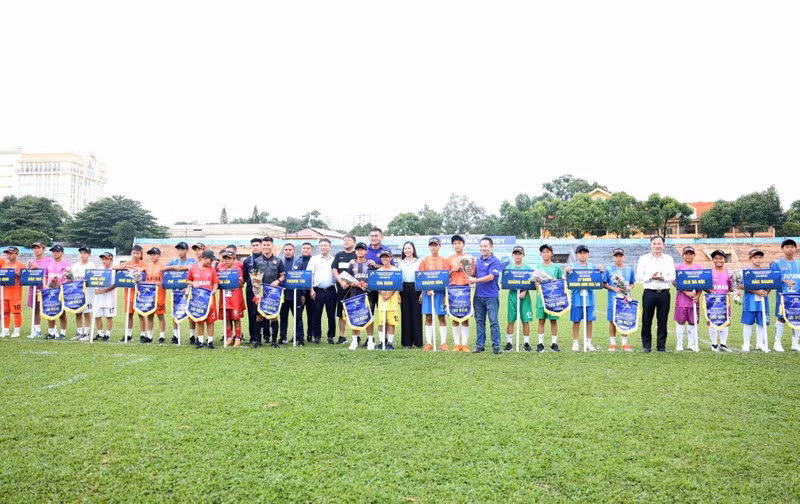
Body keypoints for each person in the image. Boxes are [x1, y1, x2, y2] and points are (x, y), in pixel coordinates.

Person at [636, 235, 676, 352]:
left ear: (663, 245)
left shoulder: (669, 258)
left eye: (659, 243)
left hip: (664, 292)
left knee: (663, 320)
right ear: (650, 245)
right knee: (646, 319)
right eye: (654, 243)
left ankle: (661, 346)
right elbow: (639, 276)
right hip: (649, 292)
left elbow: (672, 276)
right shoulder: (643, 258)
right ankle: (646, 346)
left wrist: (663, 277)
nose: (657, 246)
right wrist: (650, 277)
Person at [565, 245, 603, 352]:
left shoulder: (592, 267)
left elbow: (598, 280)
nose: (583, 255)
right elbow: (567, 281)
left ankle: (588, 342)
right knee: (576, 321)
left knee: (589, 321)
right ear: (577, 255)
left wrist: (601, 271)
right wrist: (567, 272)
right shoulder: (572, 266)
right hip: (577, 298)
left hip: (589, 298)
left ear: (588, 254)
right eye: (580, 253)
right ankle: (575, 342)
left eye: (585, 253)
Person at [468, 237, 503, 354]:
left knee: (493, 321)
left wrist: (475, 280)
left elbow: (490, 277)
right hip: (478, 296)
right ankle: (479, 345)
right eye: (481, 246)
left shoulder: (495, 261)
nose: (483, 248)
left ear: (491, 247)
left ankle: (496, 346)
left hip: (491, 296)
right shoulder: (478, 261)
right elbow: (473, 274)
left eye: (485, 246)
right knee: (479, 321)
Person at [603, 248, 636, 352]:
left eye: (620, 256)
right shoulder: (609, 269)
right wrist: (614, 289)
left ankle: (624, 343)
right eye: (616, 256)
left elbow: (632, 282)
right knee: (612, 320)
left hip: (626, 298)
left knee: (625, 319)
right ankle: (612, 343)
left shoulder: (629, 269)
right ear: (613, 257)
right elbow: (604, 284)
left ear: (623, 257)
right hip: (613, 298)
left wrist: (629, 288)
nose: (618, 258)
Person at [163, 242, 197, 344]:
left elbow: (194, 268)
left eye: (182, 249)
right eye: (179, 249)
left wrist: (181, 268)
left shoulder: (192, 261)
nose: (180, 251)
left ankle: (192, 336)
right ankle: (176, 335)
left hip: (188, 290)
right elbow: (163, 268)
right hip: (176, 291)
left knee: (190, 313)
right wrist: (174, 267)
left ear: (187, 250)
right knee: (175, 313)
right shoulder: (174, 261)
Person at [419, 237, 448, 351]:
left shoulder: (444, 261)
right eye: (431, 245)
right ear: (429, 246)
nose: (433, 247)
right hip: (428, 292)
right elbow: (421, 277)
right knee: (428, 317)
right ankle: (429, 343)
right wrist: (426, 290)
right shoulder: (424, 261)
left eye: (435, 245)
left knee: (441, 316)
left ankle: (443, 343)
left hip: (440, 292)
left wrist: (441, 290)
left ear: (439, 246)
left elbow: (445, 278)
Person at [446, 234, 475, 352]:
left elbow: (472, 274)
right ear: (453, 245)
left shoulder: (469, 258)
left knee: (465, 316)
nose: (457, 245)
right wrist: (453, 270)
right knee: (454, 316)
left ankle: (465, 344)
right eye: (455, 243)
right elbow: (445, 276)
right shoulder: (449, 259)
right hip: (453, 288)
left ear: (463, 244)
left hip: (465, 288)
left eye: (459, 243)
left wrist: (464, 269)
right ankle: (456, 344)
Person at [771, 238, 800, 352]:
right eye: (787, 247)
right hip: (783, 295)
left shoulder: (798, 263)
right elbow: (773, 279)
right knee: (781, 317)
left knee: (797, 318)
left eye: (792, 247)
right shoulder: (777, 263)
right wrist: (784, 280)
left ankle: (795, 343)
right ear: (782, 249)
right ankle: (777, 343)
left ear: (795, 248)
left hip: (797, 295)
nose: (790, 249)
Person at [114, 245, 148, 342]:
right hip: (128, 293)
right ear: (131, 254)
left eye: (137, 253)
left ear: (141, 254)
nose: (135, 255)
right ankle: (128, 334)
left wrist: (134, 269)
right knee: (129, 314)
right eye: (133, 253)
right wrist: (127, 266)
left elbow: (144, 270)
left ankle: (143, 334)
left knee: (141, 314)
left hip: (140, 294)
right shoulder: (127, 263)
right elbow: (114, 267)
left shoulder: (143, 264)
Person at [187, 249, 219, 349]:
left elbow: (215, 282)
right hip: (198, 300)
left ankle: (210, 341)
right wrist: (193, 283)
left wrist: (214, 289)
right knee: (199, 320)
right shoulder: (193, 269)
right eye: (210, 260)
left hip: (210, 299)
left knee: (210, 321)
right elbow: (187, 280)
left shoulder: (212, 270)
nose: (211, 262)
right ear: (204, 258)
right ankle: (200, 340)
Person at [504, 246, 533, 352]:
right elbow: (505, 282)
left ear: (523, 255)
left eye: (519, 254)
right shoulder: (508, 268)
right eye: (515, 254)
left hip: (525, 296)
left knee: (525, 320)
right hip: (512, 295)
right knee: (511, 319)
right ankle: (509, 342)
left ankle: (526, 342)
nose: (517, 256)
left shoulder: (528, 268)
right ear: (513, 255)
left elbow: (531, 282)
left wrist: (524, 291)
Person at [279, 243, 310, 345]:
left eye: (290, 249)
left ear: (294, 251)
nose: (288, 251)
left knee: (298, 318)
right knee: (283, 318)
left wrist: (302, 294)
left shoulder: (299, 263)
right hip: (283, 295)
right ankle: (283, 337)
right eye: (286, 249)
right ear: (283, 251)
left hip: (295, 295)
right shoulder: (280, 262)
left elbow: (303, 279)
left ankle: (299, 338)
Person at [740, 248, 770, 352]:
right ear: (750, 259)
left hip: (763, 302)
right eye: (755, 257)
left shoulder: (766, 271)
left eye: (760, 257)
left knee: (762, 323)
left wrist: (767, 292)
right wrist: (755, 292)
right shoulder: (747, 272)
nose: (758, 259)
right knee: (748, 323)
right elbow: (741, 285)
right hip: (750, 302)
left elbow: (770, 283)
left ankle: (760, 343)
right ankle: (746, 344)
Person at [258, 237, 286, 348]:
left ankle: (274, 341)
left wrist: (278, 280)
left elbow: (283, 275)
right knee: (259, 316)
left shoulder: (278, 261)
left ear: (272, 246)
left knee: (274, 316)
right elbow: (254, 275)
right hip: (261, 292)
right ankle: (258, 341)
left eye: (268, 245)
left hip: (274, 292)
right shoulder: (257, 261)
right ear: (262, 246)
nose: (266, 247)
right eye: (264, 245)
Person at [673, 246, 702, 352]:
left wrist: (697, 296)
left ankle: (691, 343)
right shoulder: (678, 267)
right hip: (682, 299)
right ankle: (679, 344)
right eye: (686, 254)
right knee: (680, 322)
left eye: (691, 254)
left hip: (694, 300)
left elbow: (701, 283)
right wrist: (686, 292)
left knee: (693, 322)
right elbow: (674, 282)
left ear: (694, 255)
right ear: (683, 255)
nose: (688, 256)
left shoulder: (698, 268)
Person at [345, 242, 374, 350]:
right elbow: (347, 279)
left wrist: (368, 285)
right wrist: (351, 283)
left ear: (366, 251)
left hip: (367, 293)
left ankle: (370, 340)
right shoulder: (352, 264)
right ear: (355, 251)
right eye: (358, 250)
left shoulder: (370, 264)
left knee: (368, 316)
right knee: (354, 316)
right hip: (354, 292)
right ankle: (354, 341)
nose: (360, 251)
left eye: (362, 249)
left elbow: (374, 279)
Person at [308, 238, 336, 344]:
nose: (323, 247)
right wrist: (311, 290)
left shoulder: (334, 259)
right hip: (317, 290)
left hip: (331, 290)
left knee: (331, 315)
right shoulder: (314, 259)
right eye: (321, 246)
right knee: (316, 314)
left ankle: (331, 336)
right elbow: (310, 275)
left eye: (325, 245)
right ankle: (317, 336)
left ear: (329, 247)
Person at [535, 244, 562, 352]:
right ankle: (540, 343)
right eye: (543, 252)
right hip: (541, 297)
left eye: (548, 251)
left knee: (553, 321)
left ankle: (554, 343)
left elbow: (560, 281)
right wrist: (536, 284)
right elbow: (535, 281)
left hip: (553, 298)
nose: (545, 254)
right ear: (541, 254)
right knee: (541, 320)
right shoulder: (538, 266)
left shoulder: (556, 267)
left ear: (551, 253)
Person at [331, 235, 358, 344]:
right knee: (341, 313)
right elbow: (334, 270)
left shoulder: (358, 254)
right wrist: (342, 282)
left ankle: (356, 336)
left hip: (354, 289)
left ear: (354, 242)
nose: (346, 242)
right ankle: (342, 336)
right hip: (342, 289)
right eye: (344, 240)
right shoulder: (339, 255)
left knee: (355, 312)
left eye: (349, 240)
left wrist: (349, 282)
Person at [139, 247, 167, 344]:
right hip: (149, 296)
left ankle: (162, 336)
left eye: (154, 254)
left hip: (159, 294)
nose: (152, 256)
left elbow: (166, 280)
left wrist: (161, 283)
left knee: (160, 315)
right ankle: (149, 336)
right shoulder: (147, 267)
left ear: (159, 255)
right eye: (150, 254)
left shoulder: (162, 266)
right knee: (149, 315)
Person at [242, 238, 266, 345]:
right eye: (253, 245)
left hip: (264, 290)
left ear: (261, 246)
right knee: (252, 313)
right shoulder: (247, 261)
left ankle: (266, 335)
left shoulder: (265, 259)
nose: (255, 247)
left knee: (264, 313)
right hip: (250, 290)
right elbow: (244, 276)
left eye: (257, 245)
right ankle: (253, 336)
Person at [708, 249, 734, 352]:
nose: (718, 260)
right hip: (712, 302)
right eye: (716, 258)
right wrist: (710, 290)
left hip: (725, 301)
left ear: (724, 259)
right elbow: (705, 286)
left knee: (725, 321)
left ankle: (723, 344)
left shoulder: (729, 272)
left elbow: (731, 288)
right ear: (713, 260)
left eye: (721, 258)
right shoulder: (709, 273)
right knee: (713, 321)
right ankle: (714, 344)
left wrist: (733, 284)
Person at [68, 246, 96, 341]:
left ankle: (86, 333)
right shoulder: (75, 266)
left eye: (85, 253)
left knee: (87, 313)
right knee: (78, 313)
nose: (82, 255)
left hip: (88, 293)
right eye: (81, 253)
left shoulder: (91, 266)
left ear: (89, 254)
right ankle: (79, 332)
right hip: (77, 293)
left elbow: (94, 279)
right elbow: (71, 279)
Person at [218, 250, 245, 346]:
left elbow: (241, 283)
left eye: (229, 258)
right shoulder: (220, 269)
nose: (227, 260)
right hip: (224, 297)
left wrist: (231, 281)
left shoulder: (237, 269)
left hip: (235, 297)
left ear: (233, 259)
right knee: (227, 318)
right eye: (225, 258)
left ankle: (237, 338)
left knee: (236, 318)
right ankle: (229, 337)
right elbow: (217, 282)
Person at [398, 241, 422, 348]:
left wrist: (422, 292)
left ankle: (418, 342)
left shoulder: (419, 262)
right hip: (404, 289)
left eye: (409, 248)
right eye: (405, 248)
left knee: (417, 315)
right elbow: (398, 279)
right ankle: (407, 342)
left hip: (416, 288)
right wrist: (398, 294)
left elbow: (421, 277)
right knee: (405, 315)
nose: (407, 250)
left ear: (413, 249)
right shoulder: (400, 263)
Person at [375, 249, 400, 350]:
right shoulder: (378, 271)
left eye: (386, 257)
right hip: (382, 299)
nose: (384, 259)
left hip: (392, 300)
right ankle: (382, 342)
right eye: (382, 257)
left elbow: (397, 285)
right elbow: (375, 285)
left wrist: (389, 294)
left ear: (390, 258)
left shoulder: (396, 270)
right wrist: (382, 293)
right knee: (381, 321)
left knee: (391, 322)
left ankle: (389, 342)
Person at [26, 241, 51, 338]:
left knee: (48, 308)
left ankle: (52, 330)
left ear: (43, 249)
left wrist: (38, 267)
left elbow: (49, 273)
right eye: (34, 248)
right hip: (33, 287)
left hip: (44, 287)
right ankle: (37, 330)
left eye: (38, 248)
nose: (36, 250)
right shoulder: (32, 261)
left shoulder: (48, 260)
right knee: (35, 309)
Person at [44, 245, 70, 340]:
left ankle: (62, 333)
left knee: (62, 313)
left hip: (61, 291)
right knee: (49, 311)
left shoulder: (66, 264)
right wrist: (45, 286)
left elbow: (69, 278)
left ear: (62, 253)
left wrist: (60, 284)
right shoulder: (49, 264)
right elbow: (45, 276)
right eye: (53, 251)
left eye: (57, 251)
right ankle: (51, 333)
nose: (55, 253)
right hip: (50, 291)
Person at [364, 227, 393, 312]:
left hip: (383, 284)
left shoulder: (386, 250)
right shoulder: (365, 250)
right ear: (369, 237)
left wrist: (377, 266)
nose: (374, 238)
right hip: (368, 286)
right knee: (368, 313)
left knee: (384, 313)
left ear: (382, 237)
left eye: (376, 236)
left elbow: (392, 268)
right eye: (372, 236)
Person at [1, 247, 25, 338]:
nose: (9, 255)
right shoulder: (4, 265)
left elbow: (23, 278)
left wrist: (15, 273)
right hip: (4, 293)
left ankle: (16, 330)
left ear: (16, 254)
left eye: (11, 253)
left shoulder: (21, 265)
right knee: (4, 312)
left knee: (16, 312)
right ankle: (6, 330)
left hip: (15, 293)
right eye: (7, 253)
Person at [93, 252, 116, 342]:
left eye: (106, 259)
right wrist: (96, 289)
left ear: (111, 260)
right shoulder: (99, 270)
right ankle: (100, 333)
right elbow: (94, 280)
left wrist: (104, 291)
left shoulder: (113, 271)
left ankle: (107, 334)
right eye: (103, 259)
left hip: (109, 297)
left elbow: (115, 284)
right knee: (97, 315)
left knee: (109, 316)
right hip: (99, 297)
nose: (104, 261)